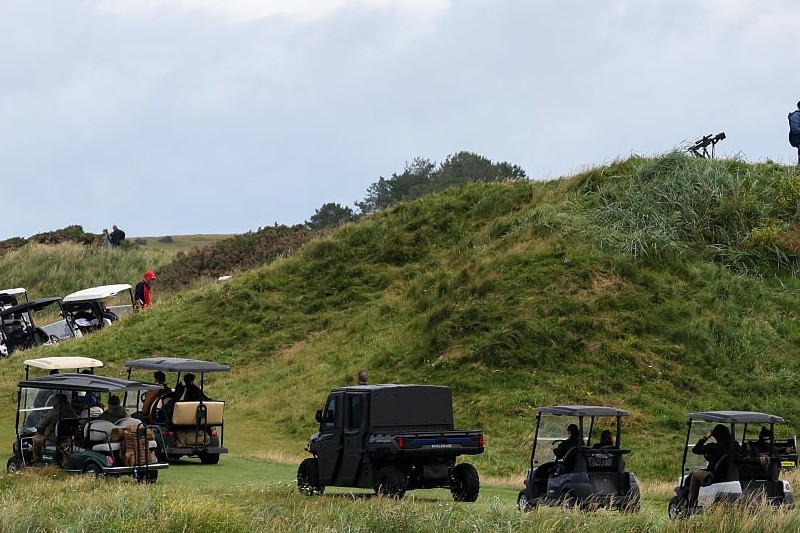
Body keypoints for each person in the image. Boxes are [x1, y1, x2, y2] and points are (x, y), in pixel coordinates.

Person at [688, 424, 740, 508]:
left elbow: (696, 449)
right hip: (732, 475)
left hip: (715, 475)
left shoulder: (715, 446)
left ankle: (691, 502)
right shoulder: (736, 445)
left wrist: (706, 437)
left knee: (695, 474)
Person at [31, 394, 77, 464]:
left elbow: (40, 426)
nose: (53, 402)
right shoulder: (73, 412)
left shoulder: (53, 412)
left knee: (35, 439)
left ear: (59, 401)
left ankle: (36, 462)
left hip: (54, 440)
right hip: (69, 439)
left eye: (55, 400)